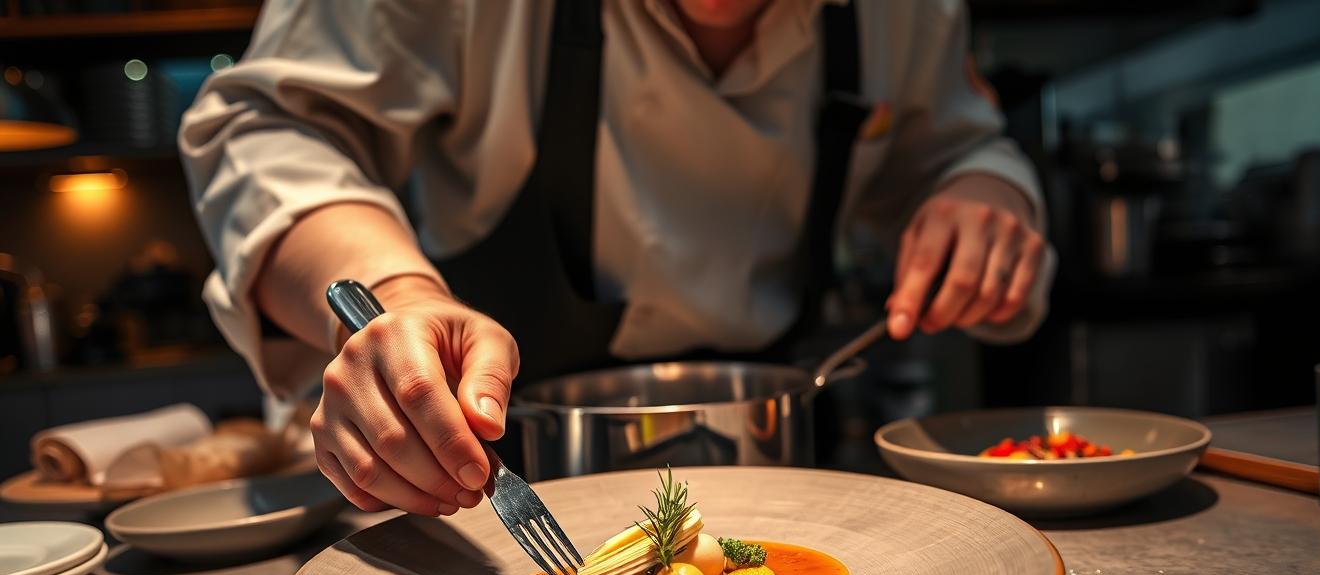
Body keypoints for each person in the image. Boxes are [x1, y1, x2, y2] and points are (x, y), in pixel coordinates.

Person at [180, 0, 1054, 518]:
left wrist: (987, 194)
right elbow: (269, 125)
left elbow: (957, 146)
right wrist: (399, 297)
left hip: (786, 471)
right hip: (478, 479)